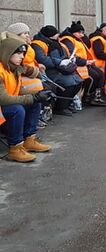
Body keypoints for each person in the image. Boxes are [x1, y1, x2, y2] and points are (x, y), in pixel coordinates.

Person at [0, 32, 55, 162]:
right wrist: (33, 97)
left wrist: (39, 93)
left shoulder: (13, 67)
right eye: (18, 53)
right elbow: (3, 98)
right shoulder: (1, 71)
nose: (22, 56)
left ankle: (29, 139)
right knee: (17, 109)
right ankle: (15, 148)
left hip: (4, 107)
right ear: (8, 53)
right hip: (3, 107)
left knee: (35, 103)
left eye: (23, 53)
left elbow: (29, 70)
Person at [32, 26, 83, 116]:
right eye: (56, 33)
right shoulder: (37, 44)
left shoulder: (54, 43)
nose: (58, 35)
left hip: (59, 69)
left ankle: (66, 104)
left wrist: (69, 61)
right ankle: (61, 107)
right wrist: (60, 63)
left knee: (78, 81)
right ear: (51, 35)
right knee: (69, 82)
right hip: (49, 71)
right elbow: (42, 59)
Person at [60, 21, 106, 107]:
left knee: (100, 74)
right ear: (74, 32)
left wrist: (88, 61)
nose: (82, 35)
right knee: (93, 77)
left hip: (84, 63)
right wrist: (85, 62)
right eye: (80, 33)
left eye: (83, 33)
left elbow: (86, 47)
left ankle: (96, 96)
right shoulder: (67, 39)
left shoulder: (78, 39)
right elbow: (71, 55)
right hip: (77, 65)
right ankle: (87, 97)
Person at [6, 23, 45, 96]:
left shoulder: (26, 45)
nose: (27, 35)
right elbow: (19, 65)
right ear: (16, 35)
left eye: (28, 33)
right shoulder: (15, 47)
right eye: (24, 33)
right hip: (23, 79)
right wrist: (34, 71)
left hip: (32, 76)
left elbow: (30, 61)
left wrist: (38, 66)